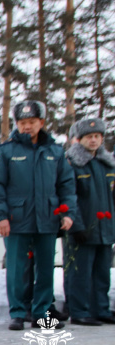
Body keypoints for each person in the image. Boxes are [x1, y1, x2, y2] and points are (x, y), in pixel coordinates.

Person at [0, 100, 76, 331]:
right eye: (23, 122)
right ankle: (17, 313)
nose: (27, 126)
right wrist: (1, 217)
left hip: (47, 219)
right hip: (16, 220)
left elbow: (66, 185)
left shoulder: (55, 152)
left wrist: (67, 213)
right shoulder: (4, 151)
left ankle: (41, 313)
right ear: (17, 124)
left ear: (41, 123)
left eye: (32, 122)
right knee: (17, 269)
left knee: (45, 268)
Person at [63, 117, 115, 325]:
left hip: (105, 228)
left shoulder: (107, 164)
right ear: (79, 139)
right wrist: (76, 226)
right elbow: (68, 197)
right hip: (81, 229)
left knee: (102, 273)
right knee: (79, 273)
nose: (93, 140)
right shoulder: (71, 163)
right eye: (88, 137)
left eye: (97, 136)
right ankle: (79, 311)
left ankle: (100, 309)